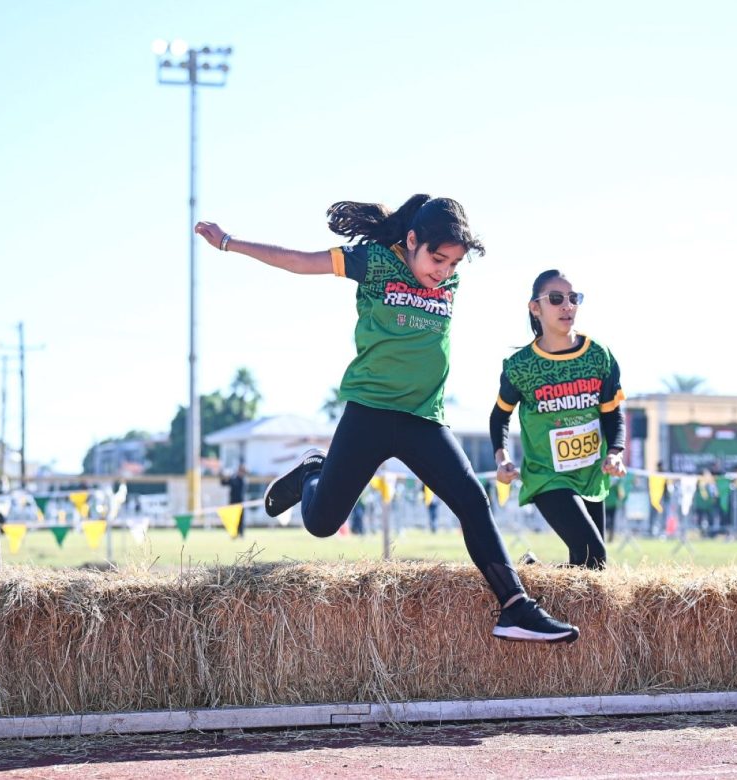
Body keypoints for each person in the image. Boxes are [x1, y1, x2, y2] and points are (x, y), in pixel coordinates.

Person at [196, 195, 578, 643]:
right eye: (437, 259)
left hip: (423, 418)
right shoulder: (374, 262)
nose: (444, 272)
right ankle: (311, 476)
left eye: (454, 264)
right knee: (320, 523)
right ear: (412, 240)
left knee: (474, 501)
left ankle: (515, 606)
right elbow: (299, 262)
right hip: (370, 413)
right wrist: (228, 243)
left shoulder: (447, 281)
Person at [490, 270, 626, 569]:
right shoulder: (521, 366)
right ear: (535, 308)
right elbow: (500, 416)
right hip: (547, 477)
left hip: (591, 473)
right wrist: (502, 459)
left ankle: (533, 573)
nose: (567, 306)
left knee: (591, 571)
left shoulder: (598, 355)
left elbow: (612, 413)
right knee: (595, 555)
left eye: (573, 298)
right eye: (556, 299)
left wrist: (615, 453)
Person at [220, 463, 248, 538]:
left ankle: (241, 534)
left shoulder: (243, 481)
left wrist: (231, 477)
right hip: (232, 503)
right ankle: (233, 534)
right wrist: (222, 475)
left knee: (241, 520)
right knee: (232, 520)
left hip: (241, 503)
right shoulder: (234, 479)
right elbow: (223, 483)